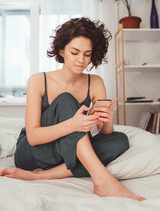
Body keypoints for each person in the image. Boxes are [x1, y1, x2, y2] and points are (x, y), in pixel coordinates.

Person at [0, 17, 144, 201]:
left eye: (87, 54)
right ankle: (103, 180)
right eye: (74, 52)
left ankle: (41, 175)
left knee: (119, 140)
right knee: (66, 100)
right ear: (62, 51)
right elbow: (34, 137)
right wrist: (73, 124)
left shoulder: (95, 82)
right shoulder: (38, 80)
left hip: (67, 152)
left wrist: (106, 120)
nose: (81, 60)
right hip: (33, 153)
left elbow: (105, 133)